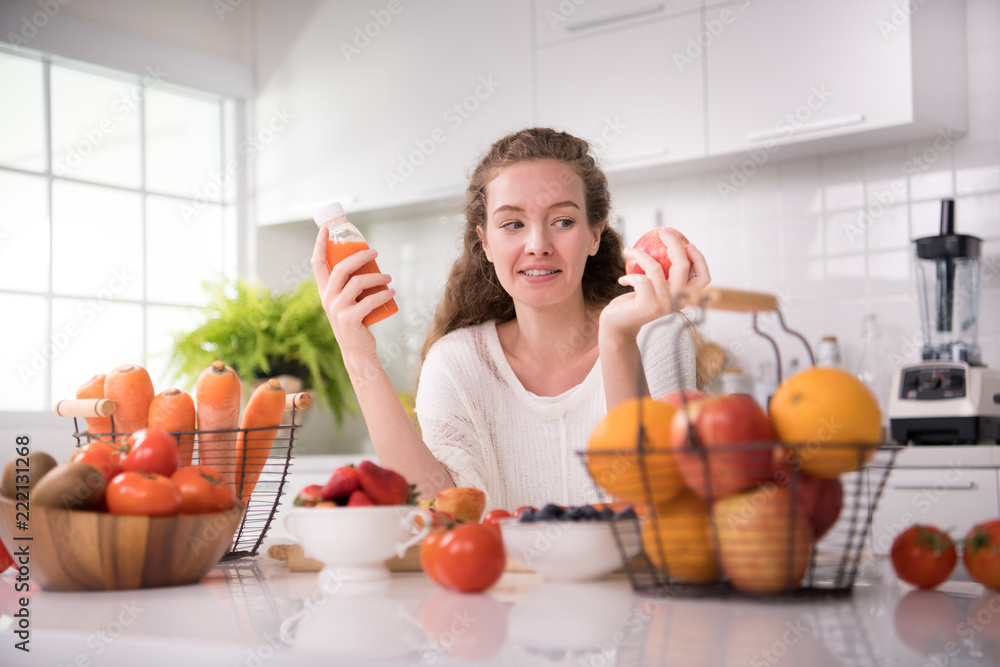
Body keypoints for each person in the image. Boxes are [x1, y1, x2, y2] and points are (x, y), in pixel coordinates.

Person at [312, 127, 711, 510]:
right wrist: (359, 358)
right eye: (513, 224)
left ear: (594, 234)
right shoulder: (456, 363)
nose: (537, 245)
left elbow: (654, 505)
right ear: (485, 242)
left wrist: (617, 338)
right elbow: (437, 511)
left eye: (563, 221)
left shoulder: (655, 336)